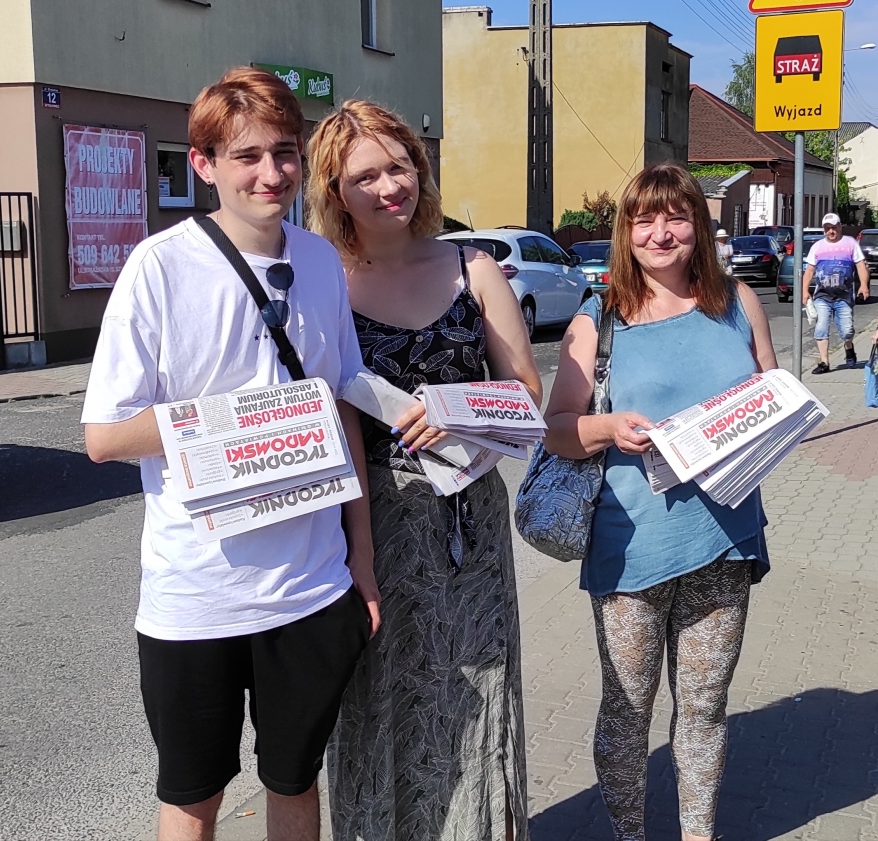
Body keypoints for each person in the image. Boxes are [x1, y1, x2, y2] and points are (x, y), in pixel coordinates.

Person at [81, 68, 379, 841]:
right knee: (193, 798)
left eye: (284, 152)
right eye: (246, 156)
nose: (270, 173)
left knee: (295, 780)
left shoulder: (320, 262)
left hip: (310, 589)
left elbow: (341, 406)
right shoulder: (160, 267)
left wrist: (362, 560)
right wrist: (237, 422)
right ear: (204, 164)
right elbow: (105, 435)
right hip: (195, 597)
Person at [306, 100, 542, 841]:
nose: (390, 187)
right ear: (335, 190)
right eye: (366, 176)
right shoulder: (324, 280)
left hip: (468, 520)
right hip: (371, 522)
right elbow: (332, 418)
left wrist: (458, 410)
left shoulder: (474, 268)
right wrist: (359, 554)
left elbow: (527, 392)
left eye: (400, 166)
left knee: (477, 688)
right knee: (380, 698)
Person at [544, 162, 777, 841]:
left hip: (725, 537)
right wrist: (608, 428)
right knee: (628, 710)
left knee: (705, 706)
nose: (661, 232)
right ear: (626, 231)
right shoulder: (599, 319)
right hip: (631, 548)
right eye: (644, 219)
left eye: (676, 217)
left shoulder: (737, 301)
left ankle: (699, 833)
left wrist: (769, 416)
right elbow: (556, 428)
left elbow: (772, 389)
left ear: (699, 225)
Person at [802, 212, 870, 374]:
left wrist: (864, 285)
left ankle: (849, 347)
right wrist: (804, 291)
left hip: (844, 296)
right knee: (821, 327)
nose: (831, 231)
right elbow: (809, 271)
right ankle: (824, 362)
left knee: (847, 331)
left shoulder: (850, 243)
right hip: (822, 296)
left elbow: (860, 265)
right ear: (824, 229)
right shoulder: (817, 246)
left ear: (840, 227)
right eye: (827, 228)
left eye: (833, 227)